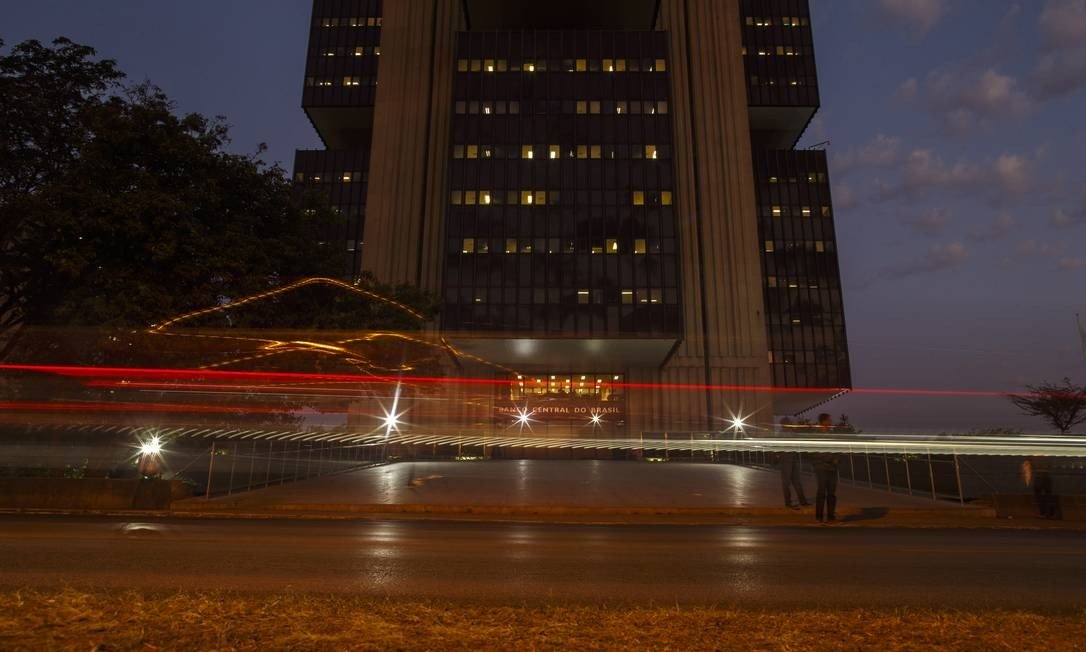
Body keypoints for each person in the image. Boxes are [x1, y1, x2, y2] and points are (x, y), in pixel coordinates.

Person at [811, 412, 840, 524]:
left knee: (832, 493)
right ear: (823, 421)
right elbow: (816, 453)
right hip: (821, 467)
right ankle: (819, 517)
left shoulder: (832, 434)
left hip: (832, 468)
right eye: (829, 420)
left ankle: (831, 516)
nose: (831, 422)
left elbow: (837, 448)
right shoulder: (816, 435)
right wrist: (831, 459)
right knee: (822, 491)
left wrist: (837, 458)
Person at [777, 418, 809, 509]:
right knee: (786, 482)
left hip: (792, 458)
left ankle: (802, 501)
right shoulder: (782, 433)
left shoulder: (791, 432)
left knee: (796, 481)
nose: (791, 423)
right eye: (789, 422)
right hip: (786, 459)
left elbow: (798, 441)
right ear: (784, 424)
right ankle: (788, 502)